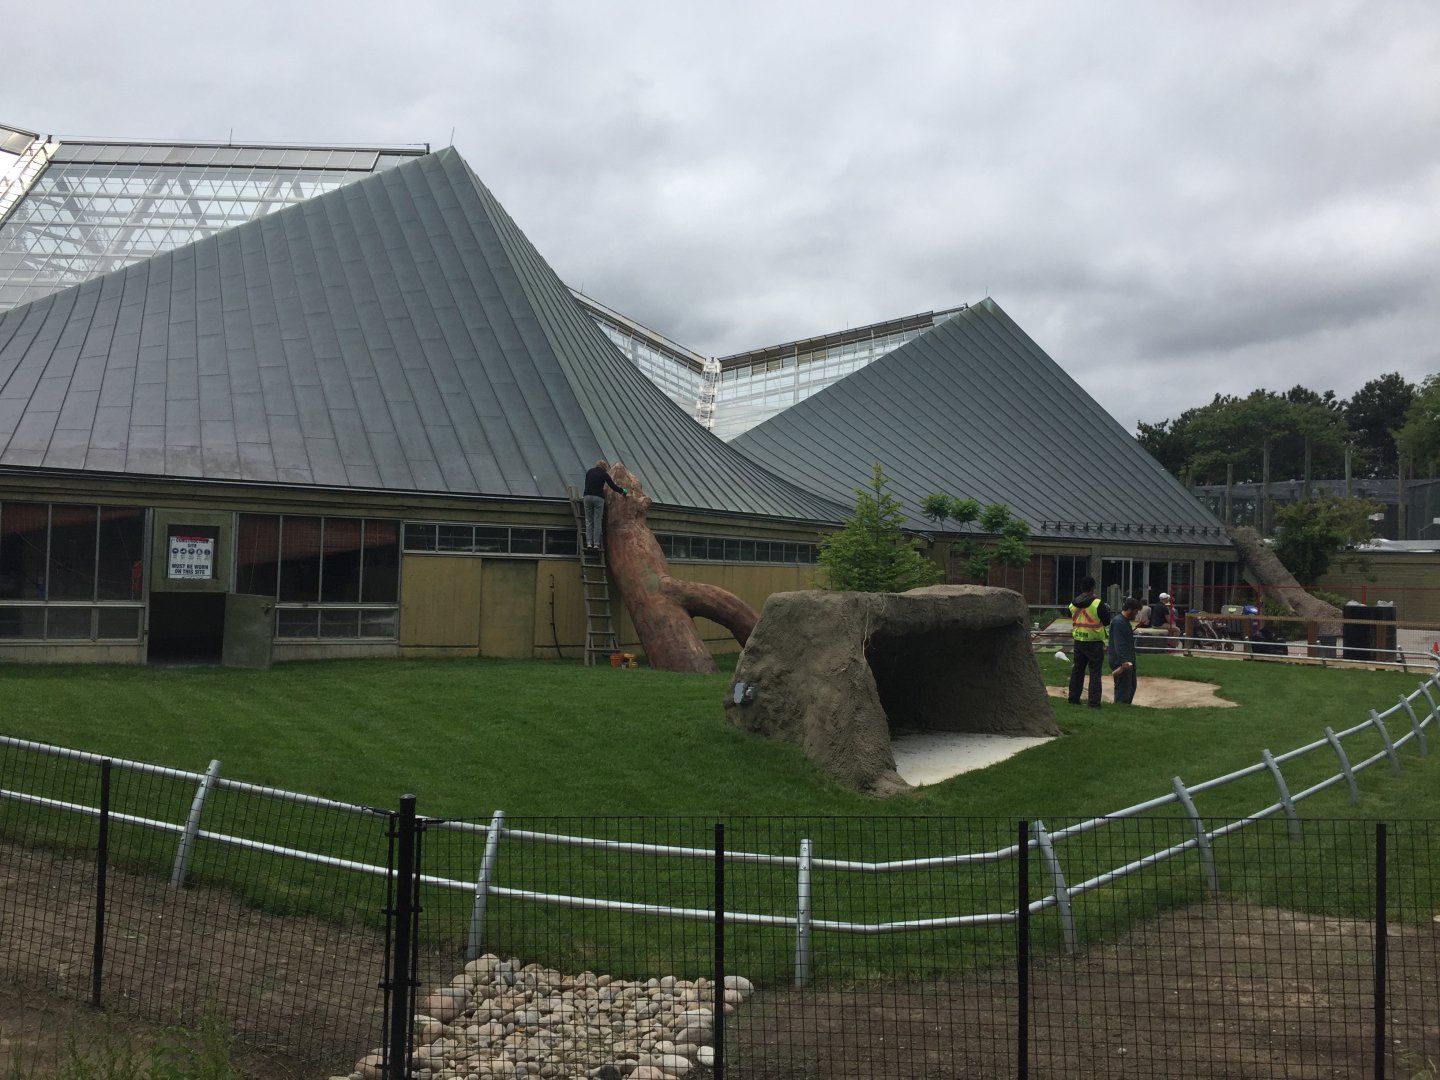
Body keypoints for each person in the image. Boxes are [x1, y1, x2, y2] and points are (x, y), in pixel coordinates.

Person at [1067, 576, 1113, 708]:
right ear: (1093, 587)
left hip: (1078, 640)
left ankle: (1073, 698)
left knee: (1077, 670)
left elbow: (1071, 616)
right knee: (1095, 672)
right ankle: (1093, 702)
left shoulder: (1073, 604)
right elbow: (1106, 621)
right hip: (1094, 641)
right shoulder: (1097, 603)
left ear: (1081, 587)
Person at [582, 459, 627, 552]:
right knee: (597, 521)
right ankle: (596, 544)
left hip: (587, 497)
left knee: (589, 521)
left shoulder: (589, 471)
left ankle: (589, 543)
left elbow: (587, 483)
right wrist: (622, 491)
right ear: (604, 467)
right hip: (598, 498)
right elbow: (612, 486)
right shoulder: (604, 474)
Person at [1108, 597, 1142, 704]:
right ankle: (1120, 707)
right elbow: (1119, 644)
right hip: (1122, 661)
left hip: (1128, 659)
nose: (1136, 614)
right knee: (1123, 689)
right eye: (1136, 611)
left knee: (1131, 686)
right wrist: (1123, 661)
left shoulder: (1124, 621)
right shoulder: (1119, 622)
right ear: (1129, 609)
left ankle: (1125, 706)